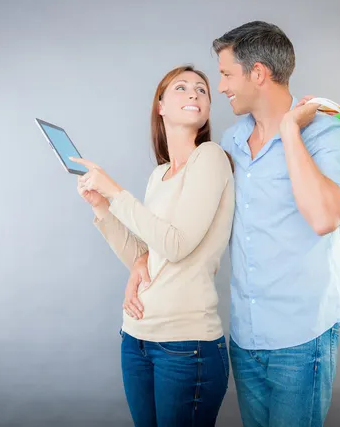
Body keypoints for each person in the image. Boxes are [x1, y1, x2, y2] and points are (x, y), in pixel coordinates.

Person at [125, 21, 340, 426]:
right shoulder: (230, 143)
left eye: (227, 74)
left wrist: (289, 131)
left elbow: (324, 218)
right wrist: (141, 260)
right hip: (245, 336)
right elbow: (184, 217)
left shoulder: (327, 134)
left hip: (302, 336)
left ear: (258, 73)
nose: (221, 87)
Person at [70, 65, 235, 427]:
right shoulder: (158, 176)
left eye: (201, 90)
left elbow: (175, 246)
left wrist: (116, 192)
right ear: (159, 106)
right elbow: (142, 256)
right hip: (136, 338)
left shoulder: (210, 159)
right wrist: (101, 205)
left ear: (207, 108)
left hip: (185, 346)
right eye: (181, 87)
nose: (193, 93)